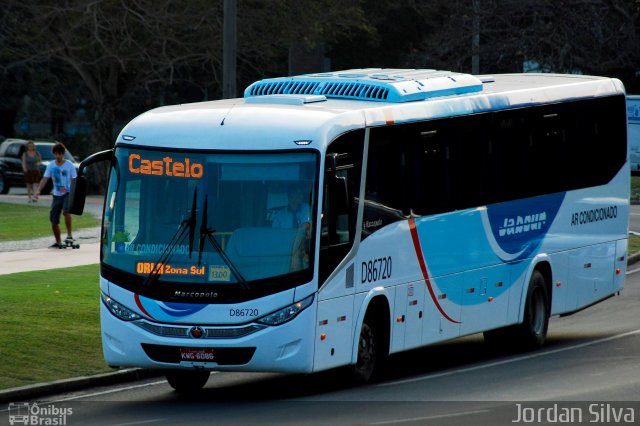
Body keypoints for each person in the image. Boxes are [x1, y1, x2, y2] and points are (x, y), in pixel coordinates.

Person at [34, 142, 77, 248]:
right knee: (53, 219)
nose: (58, 156)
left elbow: (75, 179)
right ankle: (58, 242)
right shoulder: (51, 165)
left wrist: (74, 192)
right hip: (56, 194)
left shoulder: (69, 165)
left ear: (63, 154)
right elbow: (45, 178)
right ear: (54, 154)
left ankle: (69, 235)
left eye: (60, 154)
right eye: (56, 154)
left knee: (66, 212)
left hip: (67, 193)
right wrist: (38, 190)